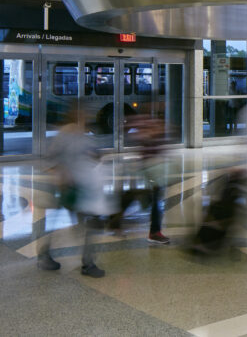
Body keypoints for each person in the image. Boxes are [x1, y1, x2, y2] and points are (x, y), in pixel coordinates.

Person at [37, 108, 113, 278]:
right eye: (85, 114)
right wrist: (63, 174)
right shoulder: (69, 134)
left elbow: (92, 155)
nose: (88, 117)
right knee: (91, 224)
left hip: (77, 187)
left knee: (83, 224)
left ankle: (47, 254)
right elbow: (52, 160)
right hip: (73, 188)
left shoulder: (77, 134)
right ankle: (87, 263)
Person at [109, 115, 171, 244]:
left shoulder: (154, 120)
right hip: (148, 170)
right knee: (153, 201)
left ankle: (114, 221)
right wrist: (145, 134)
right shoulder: (145, 120)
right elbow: (128, 129)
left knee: (141, 197)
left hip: (154, 170)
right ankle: (154, 233)